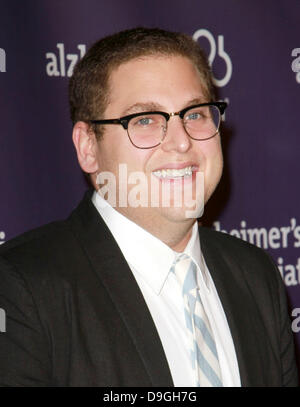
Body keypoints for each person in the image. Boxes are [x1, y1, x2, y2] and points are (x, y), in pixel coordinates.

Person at [0, 27, 298, 387]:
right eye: (145, 121)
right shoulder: (20, 288)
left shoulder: (255, 274)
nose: (181, 142)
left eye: (195, 114)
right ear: (88, 147)